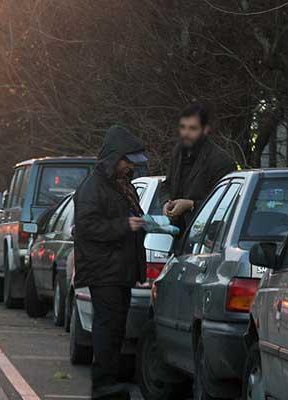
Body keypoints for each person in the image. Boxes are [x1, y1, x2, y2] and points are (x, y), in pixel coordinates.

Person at [74, 125, 148, 400]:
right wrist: (124, 225)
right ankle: (104, 385)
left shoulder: (120, 186)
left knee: (114, 328)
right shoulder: (93, 188)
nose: (130, 167)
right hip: (103, 270)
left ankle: (108, 383)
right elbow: (87, 227)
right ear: (114, 158)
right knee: (108, 327)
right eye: (127, 161)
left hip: (118, 270)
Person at [163, 103, 236, 234]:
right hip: (177, 234)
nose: (186, 133)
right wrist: (166, 202)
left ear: (205, 129)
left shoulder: (221, 161)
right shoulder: (178, 153)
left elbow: (224, 205)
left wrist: (191, 205)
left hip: (205, 236)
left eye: (192, 128)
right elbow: (167, 185)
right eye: (183, 127)